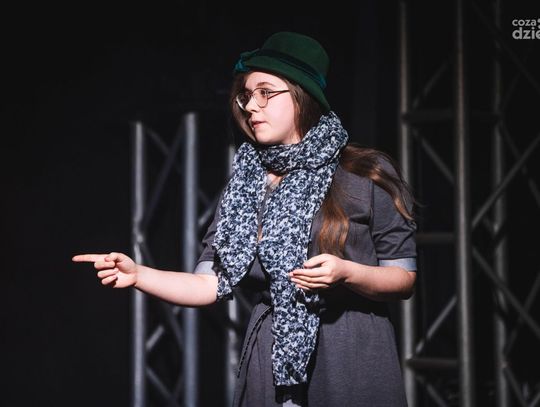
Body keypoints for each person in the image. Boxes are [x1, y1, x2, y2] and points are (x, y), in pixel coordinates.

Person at [73, 31, 417, 407]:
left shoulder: (363, 173)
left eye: (265, 93)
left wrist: (347, 272)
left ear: (301, 96)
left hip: (352, 352)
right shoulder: (244, 186)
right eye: (247, 95)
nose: (252, 106)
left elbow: (403, 279)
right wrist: (139, 274)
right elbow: (208, 284)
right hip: (269, 355)